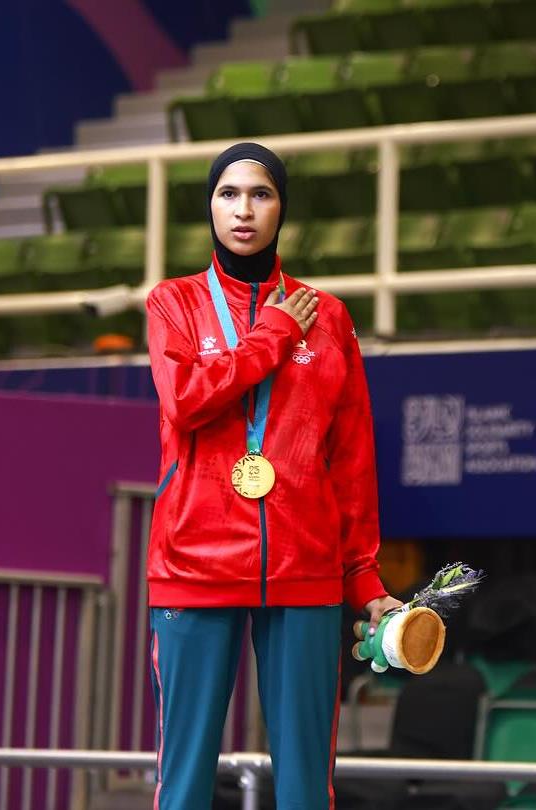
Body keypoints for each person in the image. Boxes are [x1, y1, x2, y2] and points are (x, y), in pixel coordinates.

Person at [144, 142, 401, 809]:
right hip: (194, 562)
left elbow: (350, 460)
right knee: (184, 785)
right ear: (209, 206)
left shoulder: (330, 317)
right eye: (228, 194)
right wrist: (274, 334)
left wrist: (364, 579)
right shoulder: (174, 303)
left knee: (306, 787)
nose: (244, 210)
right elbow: (186, 400)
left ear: (281, 208)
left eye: (260, 194)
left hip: (304, 566)